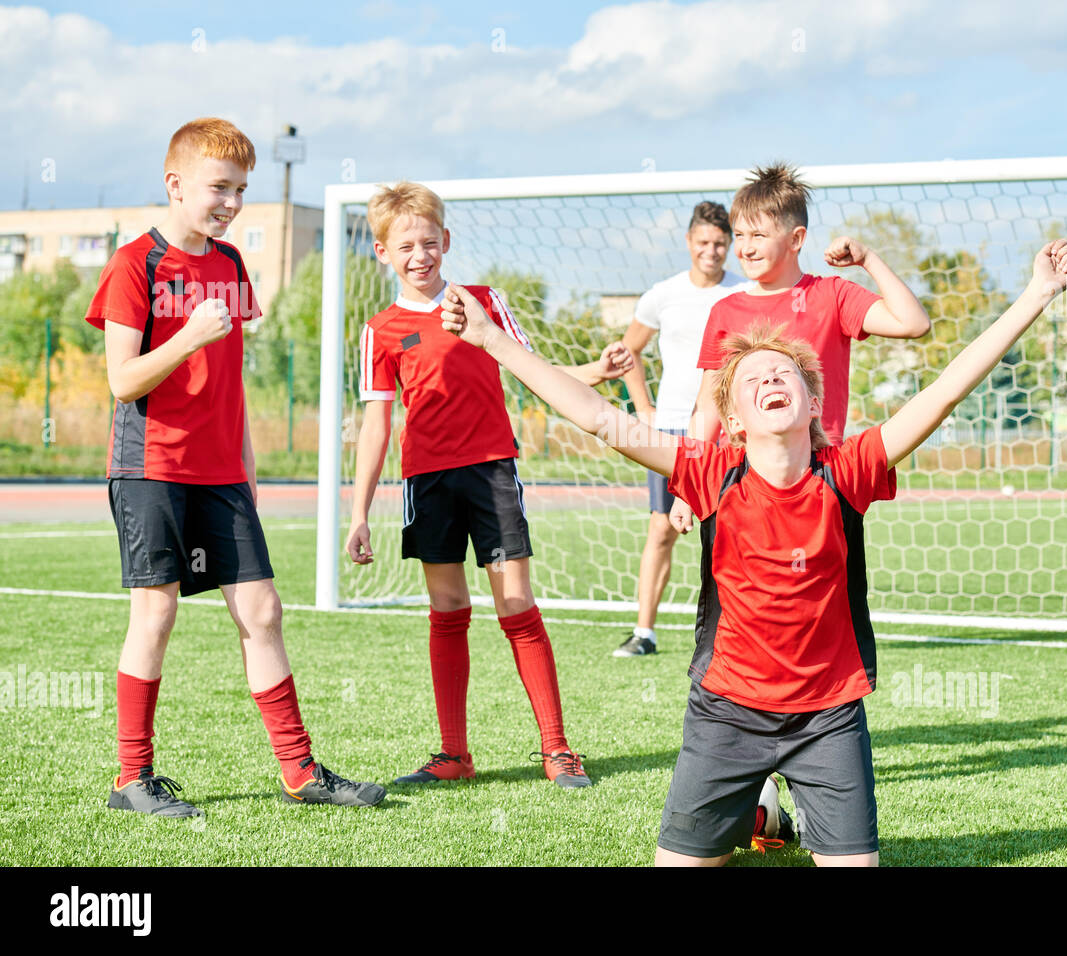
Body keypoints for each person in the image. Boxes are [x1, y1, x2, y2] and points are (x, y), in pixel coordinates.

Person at [439, 238, 1067, 865]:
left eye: (783, 373)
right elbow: (599, 418)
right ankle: (760, 812)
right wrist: (492, 339)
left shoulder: (848, 469)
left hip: (828, 716)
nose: (770, 377)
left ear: (813, 404)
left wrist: (1037, 293)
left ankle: (772, 809)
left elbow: (943, 392)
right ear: (734, 420)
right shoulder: (710, 470)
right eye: (752, 378)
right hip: (726, 711)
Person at [87, 117, 385, 816]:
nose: (231, 202)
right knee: (157, 612)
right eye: (219, 187)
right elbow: (122, 381)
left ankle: (300, 771)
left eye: (242, 190)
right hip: (150, 465)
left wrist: (247, 464)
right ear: (176, 183)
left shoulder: (230, 265)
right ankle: (132, 777)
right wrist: (189, 336)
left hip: (222, 472)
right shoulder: (134, 264)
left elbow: (233, 378)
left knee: (262, 610)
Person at [346, 181, 631, 788]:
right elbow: (376, 424)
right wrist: (359, 512)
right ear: (382, 252)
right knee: (448, 608)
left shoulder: (481, 302)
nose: (420, 255)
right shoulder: (381, 330)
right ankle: (454, 754)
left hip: (491, 471)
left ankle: (557, 748)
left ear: (446, 240)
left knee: (515, 604)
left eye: (429, 242)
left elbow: (534, 370)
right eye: (405, 246)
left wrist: (596, 371)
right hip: (427, 481)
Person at [669, 162, 932, 535]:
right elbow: (709, 406)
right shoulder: (725, 312)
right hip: (741, 480)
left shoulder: (832, 295)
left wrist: (868, 260)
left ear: (796, 239)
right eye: (739, 235)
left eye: (758, 235)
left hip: (819, 479)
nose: (745, 248)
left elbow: (913, 323)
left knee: (831, 575)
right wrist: (686, 488)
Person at [613, 201, 749, 657]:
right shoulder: (662, 295)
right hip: (672, 430)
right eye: (704, 242)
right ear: (689, 241)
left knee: (735, 530)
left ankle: (741, 634)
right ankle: (644, 633)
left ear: (729, 246)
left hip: (729, 430)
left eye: (720, 243)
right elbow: (628, 351)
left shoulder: (743, 291)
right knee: (661, 529)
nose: (712, 251)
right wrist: (644, 408)